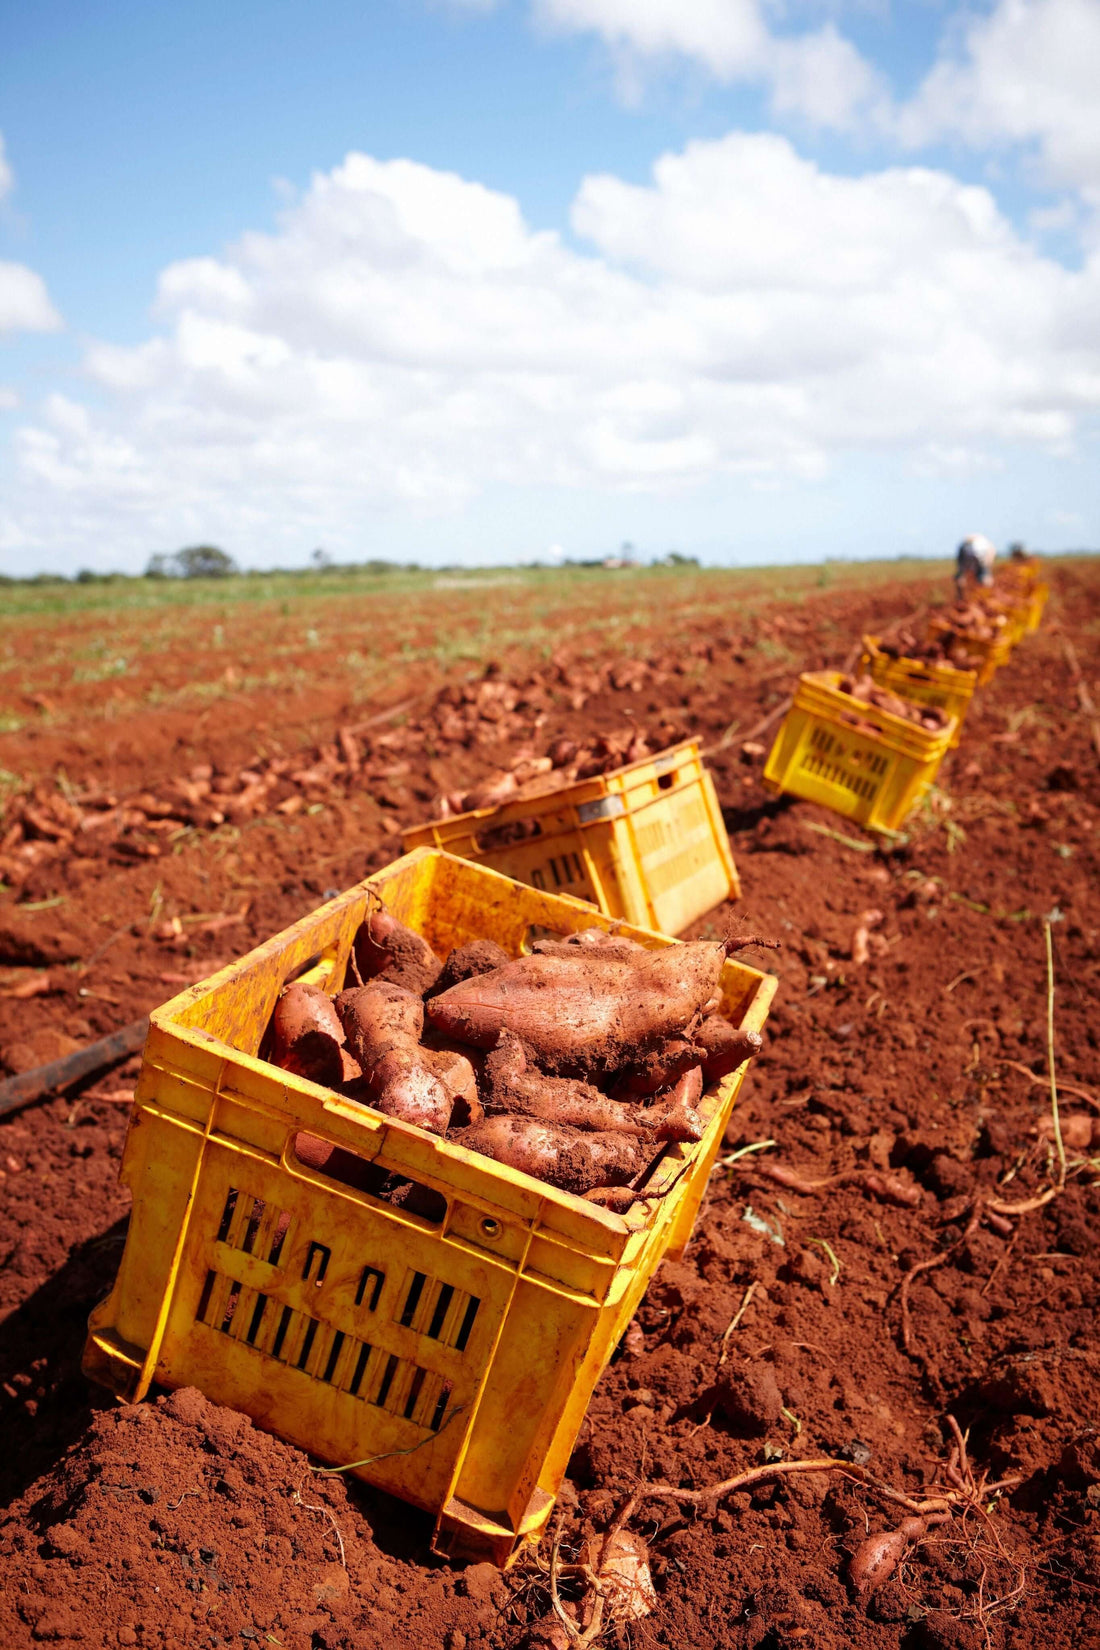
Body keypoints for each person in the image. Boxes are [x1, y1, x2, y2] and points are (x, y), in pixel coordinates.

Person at [954, 533, 996, 598]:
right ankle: (984, 595)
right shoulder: (984, 545)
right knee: (984, 574)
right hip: (983, 553)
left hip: (981, 553)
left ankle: (963, 597)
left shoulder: (965, 546)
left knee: (983, 575)